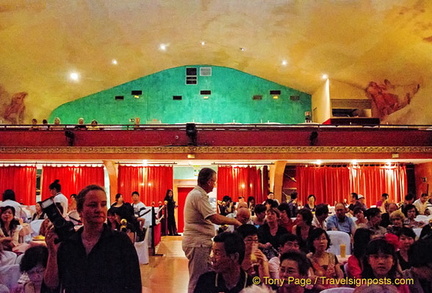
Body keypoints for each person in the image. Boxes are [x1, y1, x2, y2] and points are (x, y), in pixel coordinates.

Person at [44, 184, 141, 293]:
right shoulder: (69, 243)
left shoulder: (120, 242)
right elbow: (52, 284)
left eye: (103, 204)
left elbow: (134, 284)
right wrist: (52, 252)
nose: (99, 209)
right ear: (80, 211)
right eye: (93, 205)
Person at [182, 168, 242, 293]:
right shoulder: (198, 195)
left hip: (199, 242)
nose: (214, 185)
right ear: (209, 181)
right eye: (214, 182)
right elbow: (214, 218)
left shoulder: (198, 194)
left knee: (205, 275)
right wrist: (235, 221)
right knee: (198, 278)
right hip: (198, 242)